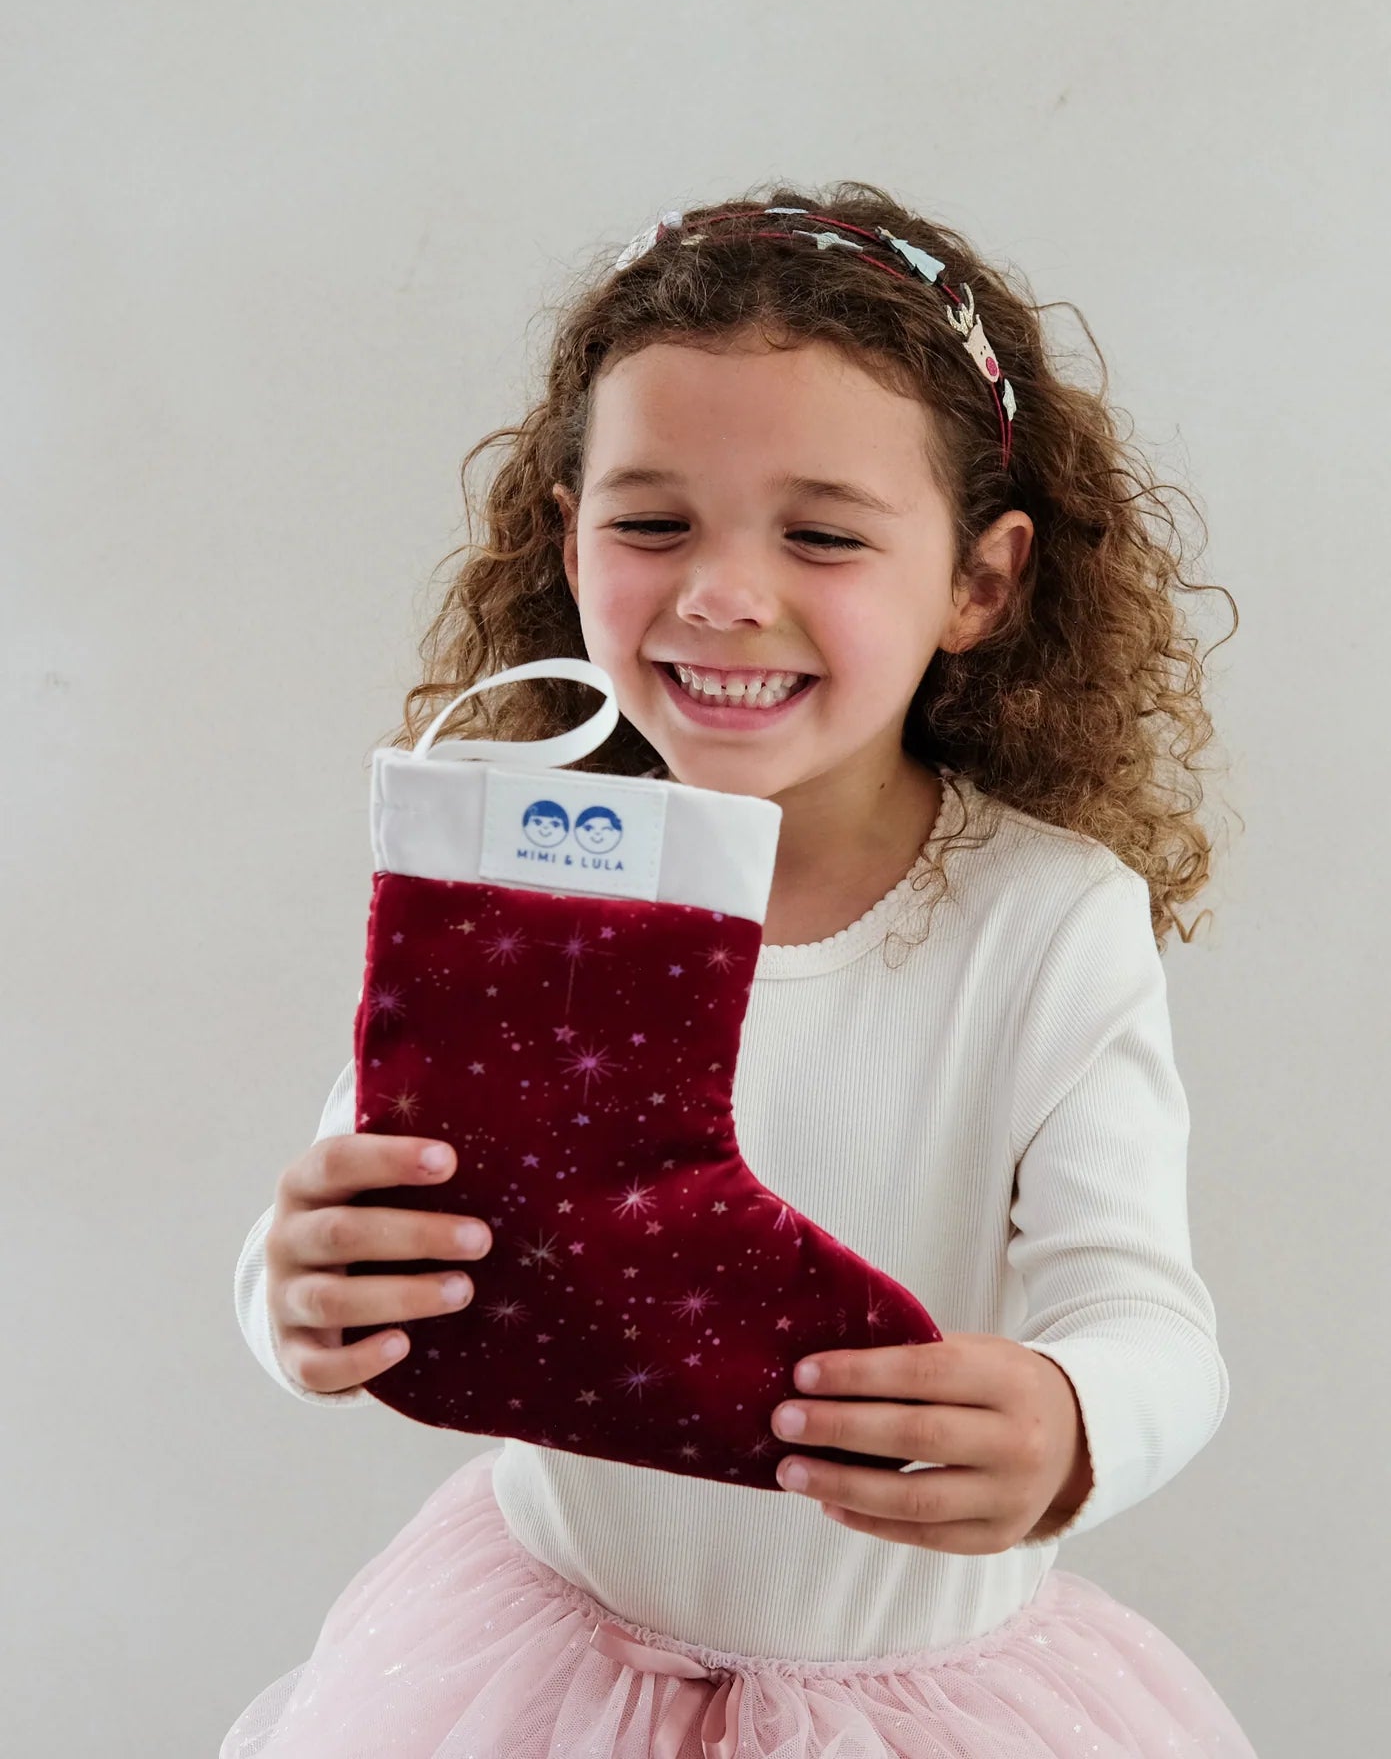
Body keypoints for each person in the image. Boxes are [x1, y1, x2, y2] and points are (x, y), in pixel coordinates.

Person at [222, 180, 1258, 1758]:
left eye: (823, 535)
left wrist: (1074, 1421)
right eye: (651, 524)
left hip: (925, 1700)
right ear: (566, 537)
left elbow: (1147, 1315)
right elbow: (356, 1188)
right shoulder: (525, 873)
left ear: (979, 583)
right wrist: (289, 1290)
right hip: (537, 1670)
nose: (720, 594)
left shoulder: (1047, 920)